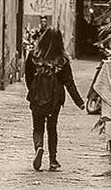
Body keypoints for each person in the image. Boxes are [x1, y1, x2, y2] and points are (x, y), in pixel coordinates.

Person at [24, 28, 84, 172]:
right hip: (54, 100)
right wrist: (79, 102)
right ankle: (52, 160)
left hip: (37, 98)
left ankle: (39, 147)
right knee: (52, 129)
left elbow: (28, 77)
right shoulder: (62, 61)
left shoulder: (33, 56)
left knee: (38, 127)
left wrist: (33, 92)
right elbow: (69, 83)